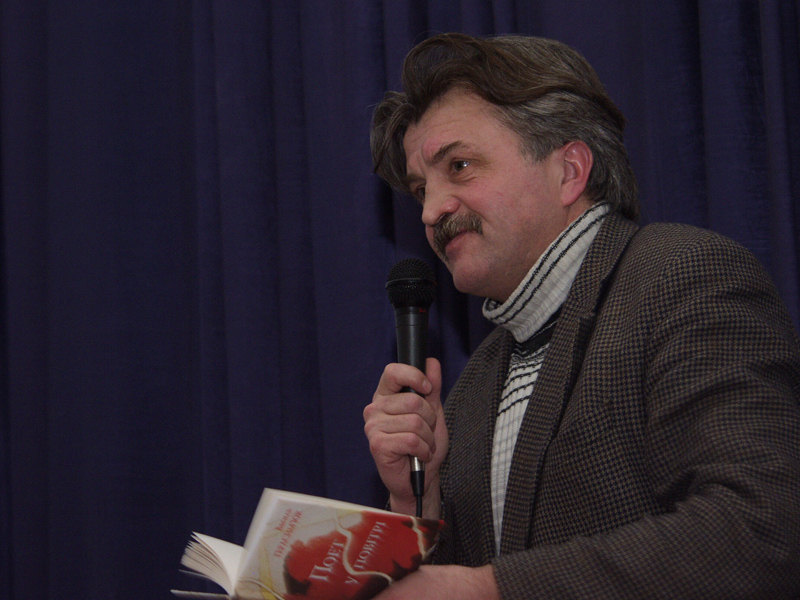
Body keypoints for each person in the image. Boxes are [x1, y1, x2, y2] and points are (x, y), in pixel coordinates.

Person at [362, 32, 800, 599]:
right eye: (421, 188)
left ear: (569, 170)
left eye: (460, 166)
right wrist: (416, 497)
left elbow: (762, 529)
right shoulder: (475, 384)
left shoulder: (683, 277)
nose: (430, 211)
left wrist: (488, 590)